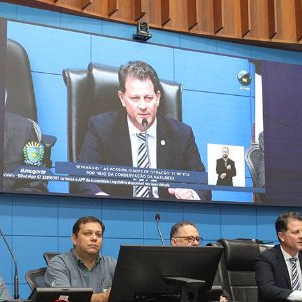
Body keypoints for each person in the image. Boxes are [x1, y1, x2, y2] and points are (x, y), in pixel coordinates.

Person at [74, 60, 210, 201]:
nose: (143, 106)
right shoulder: (101, 128)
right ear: (122, 98)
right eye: (135, 98)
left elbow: (203, 186)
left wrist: (191, 194)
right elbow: (81, 176)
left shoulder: (182, 134)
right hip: (116, 213)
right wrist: (104, 200)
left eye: (148, 98)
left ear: (157, 98)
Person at [45, 216, 117, 302]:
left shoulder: (112, 264)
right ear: (74, 238)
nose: (94, 238)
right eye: (88, 233)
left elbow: (128, 296)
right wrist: (104, 298)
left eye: (98, 235)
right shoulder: (58, 264)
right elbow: (65, 299)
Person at [169, 220, 228, 302]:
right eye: (189, 239)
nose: (196, 243)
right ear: (174, 242)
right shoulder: (163, 266)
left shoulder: (207, 266)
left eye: (197, 239)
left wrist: (222, 299)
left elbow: (221, 295)